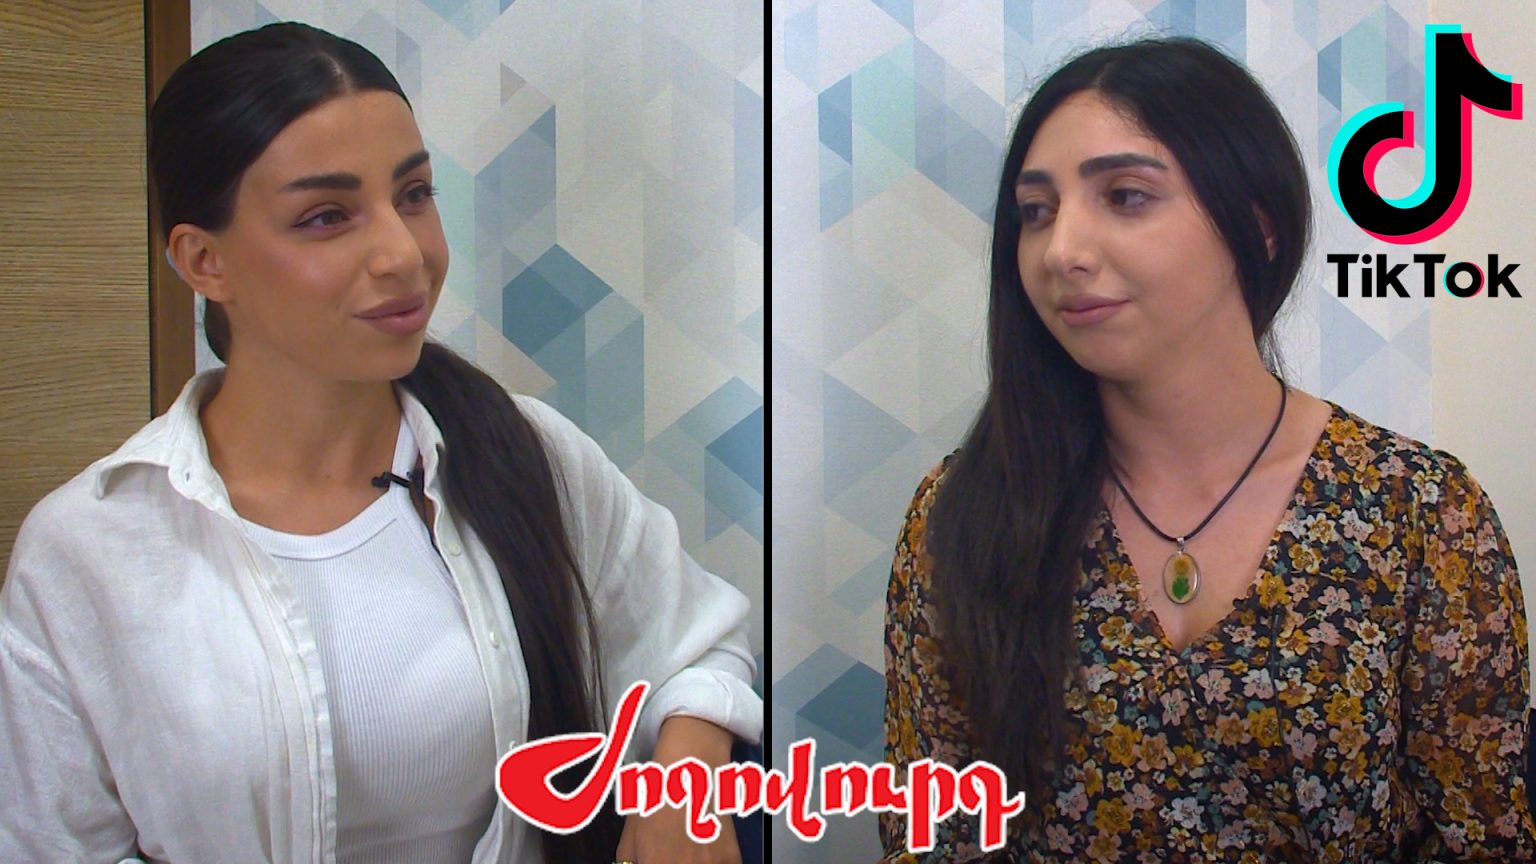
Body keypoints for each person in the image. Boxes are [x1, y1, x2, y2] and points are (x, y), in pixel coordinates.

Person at [0, 22, 758, 864]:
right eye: (327, 216)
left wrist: (685, 782)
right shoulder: (90, 549)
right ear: (204, 261)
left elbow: (699, 644)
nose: (404, 253)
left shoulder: (521, 453)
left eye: (414, 194)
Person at [879, 36, 1535, 862]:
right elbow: (930, 838)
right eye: (1035, 212)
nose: (1061, 250)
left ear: (1257, 226)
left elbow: (1482, 836)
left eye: (1125, 196)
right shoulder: (963, 513)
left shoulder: (1421, 513)